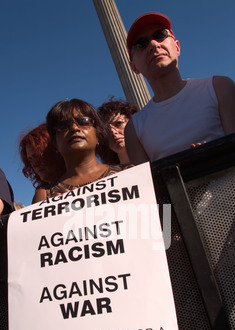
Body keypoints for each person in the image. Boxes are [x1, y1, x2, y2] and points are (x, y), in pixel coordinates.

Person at [124, 12, 235, 164]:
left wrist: (213, 157)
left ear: (177, 47)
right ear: (133, 67)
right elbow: (147, 186)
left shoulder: (220, 87)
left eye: (160, 35)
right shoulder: (134, 129)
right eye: (141, 44)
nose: (154, 44)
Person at [33, 98, 133, 203]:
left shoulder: (129, 172)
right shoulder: (44, 196)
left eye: (83, 121)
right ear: (55, 142)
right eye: (63, 126)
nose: (74, 128)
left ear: (98, 134)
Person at [19, 123, 66, 193]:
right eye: (30, 160)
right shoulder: (41, 195)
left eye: (38, 156)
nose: (34, 164)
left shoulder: (85, 179)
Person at [97, 97, 138, 164]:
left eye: (118, 123)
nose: (113, 132)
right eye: (106, 130)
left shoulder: (156, 156)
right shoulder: (109, 174)